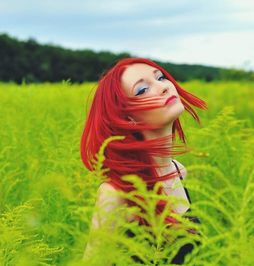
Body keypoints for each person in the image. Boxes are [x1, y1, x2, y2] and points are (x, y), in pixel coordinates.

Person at [80, 57, 207, 264]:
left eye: (161, 77)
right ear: (128, 118)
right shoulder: (116, 193)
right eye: (142, 90)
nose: (164, 87)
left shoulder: (178, 172)